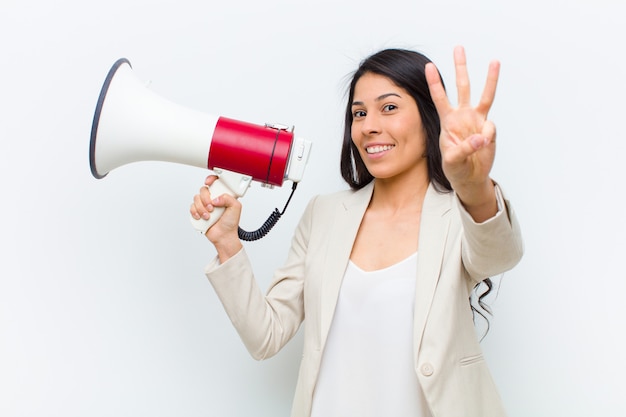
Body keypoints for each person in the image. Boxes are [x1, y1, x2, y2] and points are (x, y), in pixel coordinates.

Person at [190, 45, 523, 417]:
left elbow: (501, 255)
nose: (369, 126)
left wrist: (475, 188)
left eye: (389, 107)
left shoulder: (459, 214)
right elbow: (264, 336)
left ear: (431, 120)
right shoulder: (325, 215)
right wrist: (226, 244)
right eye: (359, 113)